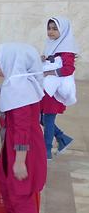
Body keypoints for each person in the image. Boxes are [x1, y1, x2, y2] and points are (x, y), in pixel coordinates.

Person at [0, 43, 46, 213]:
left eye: (0, 58)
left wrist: (20, 160)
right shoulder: (16, 84)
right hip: (13, 146)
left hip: (22, 150)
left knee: (21, 193)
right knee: (7, 184)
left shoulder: (20, 89)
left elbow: (23, 129)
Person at [40, 16, 78, 160]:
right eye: (49, 28)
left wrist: (50, 71)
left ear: (63, 30)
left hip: (54, 91)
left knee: (48, 119)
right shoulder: (52, 44)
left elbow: (69, 68)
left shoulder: (67, 49)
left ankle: (46, 152)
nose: (51, 32)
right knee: (39, 117)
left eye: (55, 29)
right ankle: (62, 138)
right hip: (47, 88)